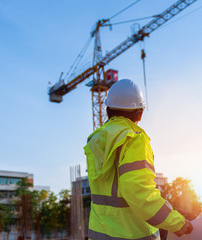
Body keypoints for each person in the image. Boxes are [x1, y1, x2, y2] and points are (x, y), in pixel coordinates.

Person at [83, 79, 193, 240]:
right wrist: (178, 223)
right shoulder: (133, 139)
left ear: (107, 111)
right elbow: (139, 193)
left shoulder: (95, 140)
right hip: (132, 235)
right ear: (140, 113)